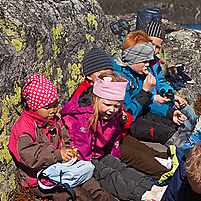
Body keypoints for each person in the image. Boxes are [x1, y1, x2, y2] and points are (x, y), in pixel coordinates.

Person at [9, 73, 138, 201]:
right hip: (40, 179)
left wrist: (68, 151)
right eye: (47, 107)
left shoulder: (54, 120)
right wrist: (58, 154)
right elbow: (28, 155)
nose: (53, 110)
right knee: (73, 195)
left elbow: (66, 138)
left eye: (55, 105)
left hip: (62, 168)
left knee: (90, 183)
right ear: (33, 106)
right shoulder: (25, 126)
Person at [60, 72, 166, 201]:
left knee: (119, 167)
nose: (111, 110)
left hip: (99, 152)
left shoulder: (111, 113)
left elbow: (114, 137)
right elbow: (81, 150)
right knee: (107, 174)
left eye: (116, 106)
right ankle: (142, 195)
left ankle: (151, 187)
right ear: (96, 98)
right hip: (81, 159)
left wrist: (114, 158)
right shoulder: (82, 117)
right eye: (108, 105)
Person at [72, 47, 175, 179]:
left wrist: (124, 119)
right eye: (102, 74)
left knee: (152, 153)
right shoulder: (82, 98)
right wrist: (144, 93)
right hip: (105, 146)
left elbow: (127, 118)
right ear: (89, 76)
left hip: (118, 136)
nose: (107, 78)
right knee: (149, 163)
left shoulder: (110, 89)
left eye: (110, 73)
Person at [115, 31, 190, 146]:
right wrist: (145, 91)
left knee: (174, 125)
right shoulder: (119, 79)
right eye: (144, 61)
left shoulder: (137, 73)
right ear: (132, 58)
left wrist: (170, 113)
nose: (148, 65)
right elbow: (129, 115)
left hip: (141, 115)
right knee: (168, 133)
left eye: (149, 61)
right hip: (127, 126)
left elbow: (147, 104)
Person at [142, 20, 199, 127]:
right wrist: (155, 98)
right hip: (151, 105)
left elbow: (160, 81)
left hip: (161, 101)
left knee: (189, 111)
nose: (154, 49)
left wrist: (171, 95)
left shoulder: (155, 63)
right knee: (185, 123)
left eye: (158, 47)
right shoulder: (139, 65)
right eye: (151, 44)